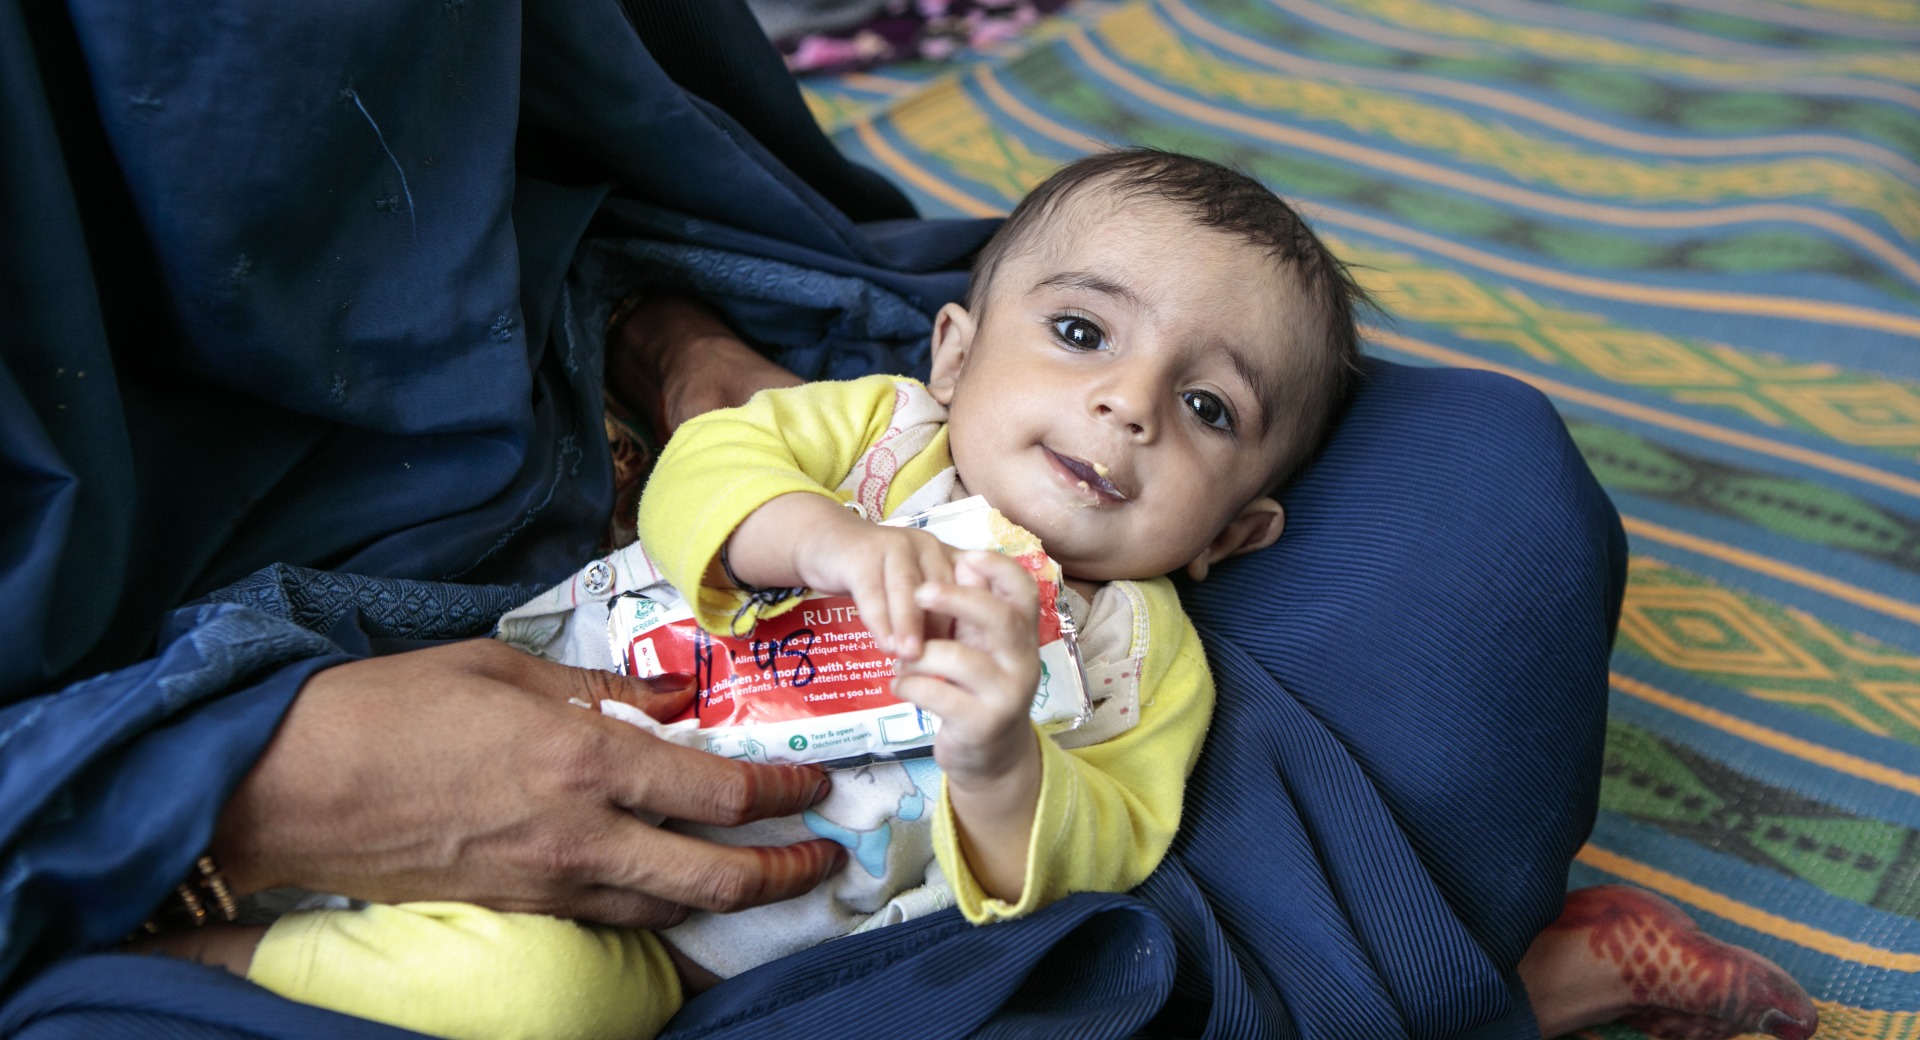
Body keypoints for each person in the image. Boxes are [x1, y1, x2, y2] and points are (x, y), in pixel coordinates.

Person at [0, 0, 1813, 1036]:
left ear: (1233, 534)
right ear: (955, 358)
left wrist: (1006, 750)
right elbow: (738, 482)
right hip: (216, 663)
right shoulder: (872, 443)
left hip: (732, 848)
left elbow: (1099, 825)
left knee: (1477, 495)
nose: (1117, 403)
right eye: (1083, 342)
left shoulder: (1135, 643)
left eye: (1200, 413)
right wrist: (816, 536)